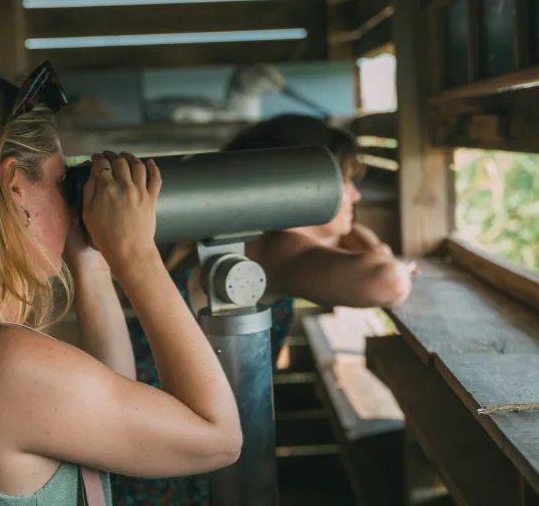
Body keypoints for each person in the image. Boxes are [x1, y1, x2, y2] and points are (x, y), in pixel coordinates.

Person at [0, 64, 242, 505]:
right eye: (62, 182)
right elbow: (218, 439)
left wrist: (93, 264)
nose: (72, 203)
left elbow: (115, 418)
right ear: (13, 188)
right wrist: (136, 255)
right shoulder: (3, 363)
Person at [111, 114, 414, 506]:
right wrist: (376, 248)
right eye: (345, 182)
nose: (355, 195)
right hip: (172, 463)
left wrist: (344, 226)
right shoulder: (276, 249)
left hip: (149, 444)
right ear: (302, 184)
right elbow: (387, 282)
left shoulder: (237, 240)